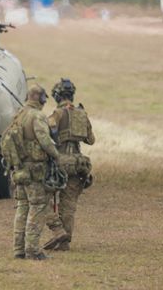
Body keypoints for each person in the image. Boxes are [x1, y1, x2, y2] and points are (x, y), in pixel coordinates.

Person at [7, 85, 61, 260]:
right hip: (35, 170)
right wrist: (56, 155)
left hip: (20, 169)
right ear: (41, 98)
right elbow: (45, 141)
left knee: (22, 207)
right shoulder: (37, 116)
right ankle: (33, 250)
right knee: (37, 208)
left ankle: (18, 249)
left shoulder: (19, 114)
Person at [43, 78, 95, 252]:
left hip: (61, 161)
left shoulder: (58, 113)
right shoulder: (82, 113)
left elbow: (47, 132)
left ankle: (57, 230)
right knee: (69, 204)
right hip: (79, 163)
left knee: (42, 198)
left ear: (57, 96)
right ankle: (65, 241)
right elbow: (91, 139)